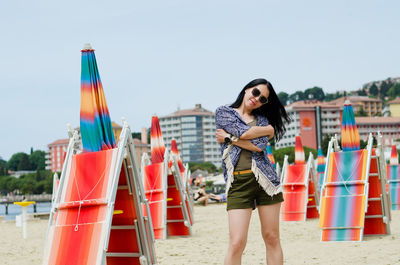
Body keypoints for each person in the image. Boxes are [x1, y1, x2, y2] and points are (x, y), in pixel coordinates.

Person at [215, 78, 291, 265]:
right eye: (256, 92)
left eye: (263, 99)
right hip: (238, 183)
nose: (257, 99)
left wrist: (227, 139)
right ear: (247, 89)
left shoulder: (263, 120)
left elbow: (258, 146)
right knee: (236, 243)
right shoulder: (224, 112)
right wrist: (266, 130)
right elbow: (243, 133)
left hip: (266, 182)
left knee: (271, 237)